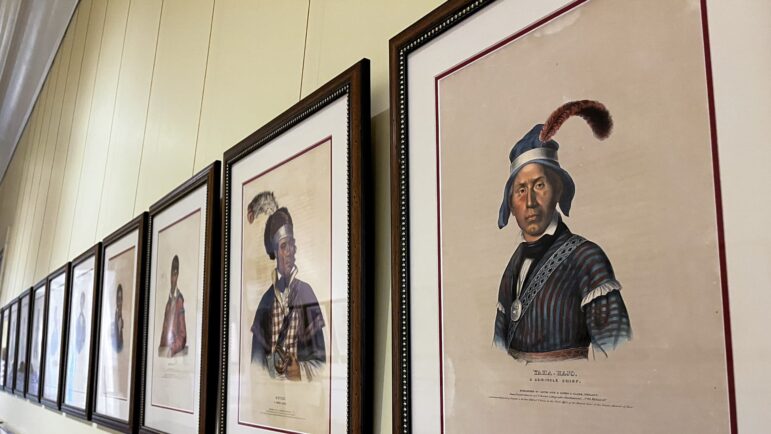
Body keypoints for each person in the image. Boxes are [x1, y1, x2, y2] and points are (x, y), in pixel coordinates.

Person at [493, 100, 632, 363]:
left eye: (540, 185)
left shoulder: (587, 259)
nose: (530, 201)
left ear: (558, 190)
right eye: (521, 190)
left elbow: (618, 361)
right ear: (510, 203)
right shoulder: (511, 269)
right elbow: (498, 360)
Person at [247, 192, 326, 382]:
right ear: (275, 251)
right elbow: (255, 368)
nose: (290, 251)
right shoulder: (266, 301)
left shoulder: (306, 293)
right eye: (284, 246)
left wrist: (301, 370)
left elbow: (322, 364)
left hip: (300, 401)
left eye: (292, 244)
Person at [158, 255, 187, 357]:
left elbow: (182, 336)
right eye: (171, 273)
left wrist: (172, 349)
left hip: (172, 354)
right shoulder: (168, 303)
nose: (172, 278)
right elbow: (164, 333)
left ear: (178, 275)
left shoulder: (179, 300)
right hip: (164, 352)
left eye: (175, 274)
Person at [112, 284, 124, 353]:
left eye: (121, 298)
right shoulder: (114, 315)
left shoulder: (122, 314)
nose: (120, 301)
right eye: (118, 298)